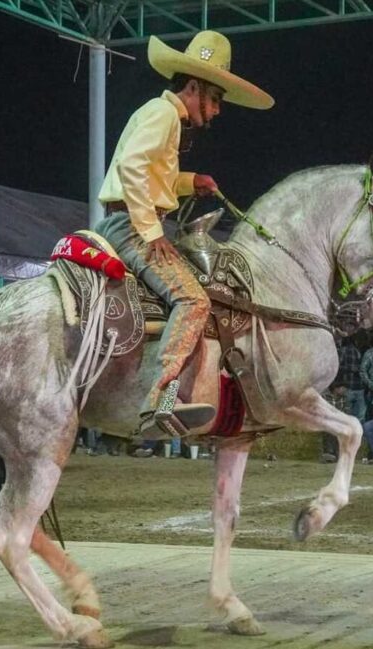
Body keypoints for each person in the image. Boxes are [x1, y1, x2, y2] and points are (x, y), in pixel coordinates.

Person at [93, 30, 272, 435]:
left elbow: (153, 177)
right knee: (192, 299)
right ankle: (160, 397)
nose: (218, 110)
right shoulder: (162, 115)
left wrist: (191, 181)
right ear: (194, 87)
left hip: (129, 220)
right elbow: (132, 169)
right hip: (132, 226)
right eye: (216, 99)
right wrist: (152, 230)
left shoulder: (163, 117)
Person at [335, 334, 366, 421]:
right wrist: (351, 369)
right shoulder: (344, 350)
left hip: (359, 387)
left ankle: (357, 433)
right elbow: (336, 366)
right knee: (348, 414)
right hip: (348, 386)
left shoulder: (360, 351)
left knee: (359, 415)